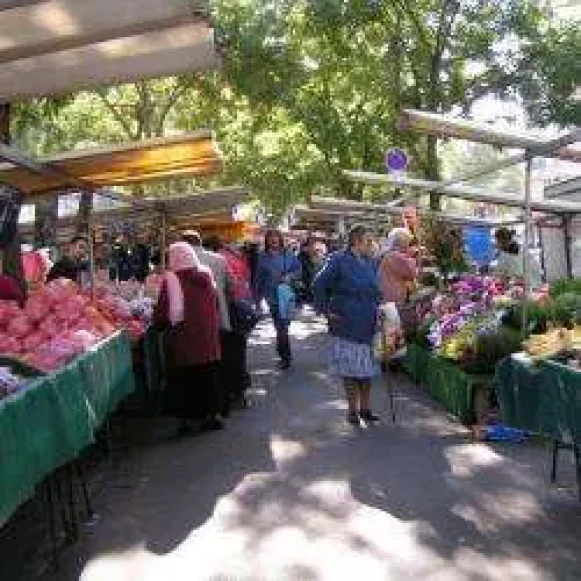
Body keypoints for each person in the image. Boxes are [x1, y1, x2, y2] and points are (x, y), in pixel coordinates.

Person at [314, 224, 382, 426]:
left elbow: (375, 289)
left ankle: (366, 408)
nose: (372, 244)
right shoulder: (338, 259)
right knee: (350, 369)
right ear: (357, 241)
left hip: (368, 321)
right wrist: (326, 310)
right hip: (346, 322)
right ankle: (352, 410)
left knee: (367, 369)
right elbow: (319, 284)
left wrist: (382, 308)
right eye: (369, 241)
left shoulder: (370, 261)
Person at [153, 242, 223, 433]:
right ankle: (212, 416)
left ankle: (187, 420)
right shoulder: (206, 274)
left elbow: (163, 310)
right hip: (207, 337)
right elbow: (215, 302)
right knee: (208, 376)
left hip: (183, 337)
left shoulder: (173, 279)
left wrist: (159, 323)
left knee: (184, 379)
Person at [182, 231, 233, 414]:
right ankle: (222, 406)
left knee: (196, 368)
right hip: (219, 317)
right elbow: (231, 286)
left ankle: (201, 409)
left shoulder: (178, 264)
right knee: (218, 363)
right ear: (199, 242)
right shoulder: (218, 259)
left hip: (189, 324)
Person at [256, 229, 301, 370]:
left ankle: (284, 355)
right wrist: (257, 300)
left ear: (280, 239)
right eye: (270, 238)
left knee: (283, 328)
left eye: (276, 237)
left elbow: (299, 270)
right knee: (280, 328)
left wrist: (290, 277)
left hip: (286, 296)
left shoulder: (288, 254)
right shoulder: (262, 257)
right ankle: (284, 353)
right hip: (272, 298)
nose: (273, 240)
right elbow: (258, 279)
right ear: (267, 240)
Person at [378, 228, 417, 306]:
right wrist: (411, 257)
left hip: (388, 293)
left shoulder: (388, 254)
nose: (408, 245)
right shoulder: (396, 256)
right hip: (394, 296)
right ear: (400, 242)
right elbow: (411, 273)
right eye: (407, 242)